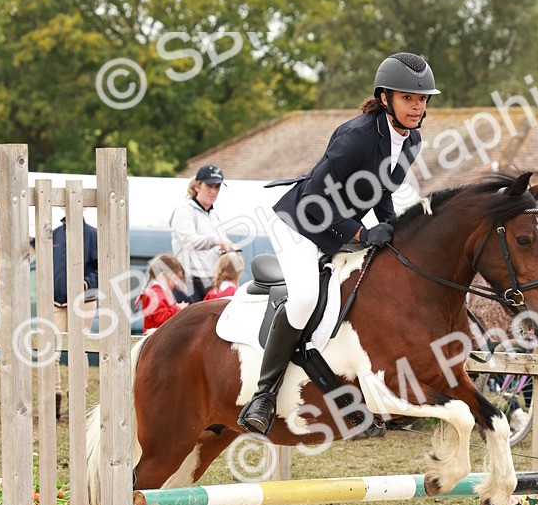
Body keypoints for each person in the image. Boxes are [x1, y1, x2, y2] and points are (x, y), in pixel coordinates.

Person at [238, 51, 440, 436]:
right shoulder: (355, 137)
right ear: (385, 99)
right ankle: (263, 396)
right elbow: (316, 199)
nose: (417, 106)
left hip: (337, 228)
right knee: (302, 299)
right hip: (299, 224)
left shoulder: (411, 140)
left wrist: (391, 226)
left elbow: (383, 189)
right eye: (408, 98)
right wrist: (363, 234)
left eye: (422, 99)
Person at [52, 213, 98, 421]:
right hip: (55, 301)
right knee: (51, 349)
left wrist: (85, 283)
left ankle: (77, 403)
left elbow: (101, 268)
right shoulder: (53, 235)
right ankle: (53, 400)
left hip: (83, 301)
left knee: (79, 350)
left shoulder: (92, 234)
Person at [170, 163, 234, 300]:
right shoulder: (184, 211)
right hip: (189, 282)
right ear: (197, 186)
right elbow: (189, 241)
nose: (214, 191)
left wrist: (228, 249)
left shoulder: (213, 214)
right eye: (209, 186)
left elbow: (220, 243)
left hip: (210, 280)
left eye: (217, 186)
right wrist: (216, 241)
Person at [138, 254, 188, 332]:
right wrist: (178, 308)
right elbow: (161, 318)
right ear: (164, 274)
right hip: (156, 339)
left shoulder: (159, 292)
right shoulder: (156, 293)